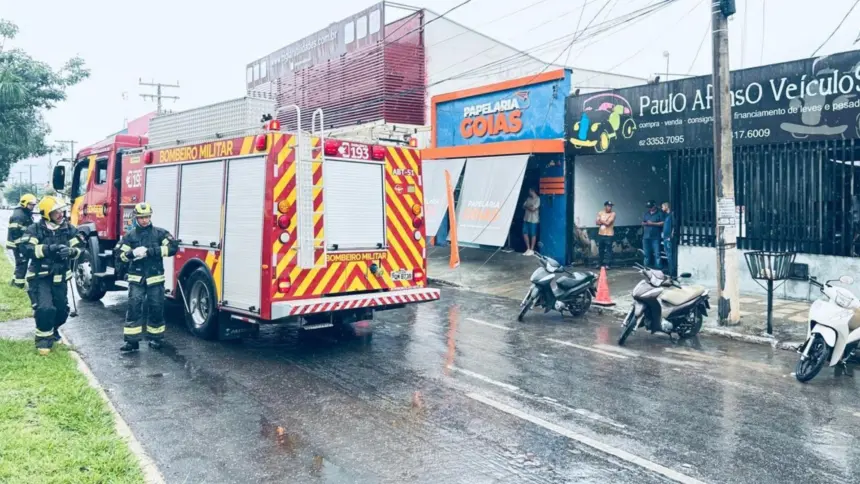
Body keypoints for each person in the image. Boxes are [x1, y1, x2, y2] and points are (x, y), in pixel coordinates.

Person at [19, 196, 83, 355]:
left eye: (61, 211)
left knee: (61, 311)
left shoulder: (68, 228)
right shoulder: (35, 229)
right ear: (47, 214)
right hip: (40, 277)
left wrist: (72, 251)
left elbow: (81, 245)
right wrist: (50, 249)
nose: (60, 214)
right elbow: (26, 248)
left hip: (60, 277)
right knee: (45, 308)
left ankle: (53, 330)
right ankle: (43, 340)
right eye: (56, 212)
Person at [117, 202, 178, 352]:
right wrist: (132, 253)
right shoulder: (130, 236)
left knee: (156, 307)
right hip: (136, 278)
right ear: (136, 218)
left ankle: (156, 339)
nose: (144, 220)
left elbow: (173, 248)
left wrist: (151, 251)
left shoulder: (160, 233)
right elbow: (119, 256)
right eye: (141, 217)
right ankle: (132, 342)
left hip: (155, 278)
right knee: (134, 308)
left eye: (147, 217)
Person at [6, 193, 37, 288]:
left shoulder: (25, 213)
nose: (33, 207)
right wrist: (20, 245)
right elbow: (15, 232)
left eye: (33, 205)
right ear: (25, 203)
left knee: (20, 263)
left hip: (21, 243)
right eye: (31, 205)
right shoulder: (19, 215)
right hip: (18, 244)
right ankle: (18, 285)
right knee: (22, 263)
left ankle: (15, 282)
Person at [641, 200, 664, 269]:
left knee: (657, 253)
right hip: (646, 236)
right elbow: (643, 222)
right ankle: (646, 268)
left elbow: (662, 223)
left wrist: (652, 224)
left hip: (656, 236)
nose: (650, 208)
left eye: (651, 207)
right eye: (648, 207)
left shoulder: (660, 213)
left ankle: (658, 268)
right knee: (646, 253)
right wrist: (644, 223)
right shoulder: (646, 214)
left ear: (654, 206)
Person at [595, 201, 616, 269]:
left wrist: (601, 220)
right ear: (605, 206)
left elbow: (608, 223)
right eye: (608, 206)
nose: (610, 207)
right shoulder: (600, 212)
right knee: (601, 249)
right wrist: (603, 221)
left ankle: (608, 264)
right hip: (601, 234)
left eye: (611, 206)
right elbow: (596, 222)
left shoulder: (613, 213)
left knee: (608, 250)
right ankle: (600, 263)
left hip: (609, 234)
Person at [522, 188, 540, 256]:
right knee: (525, 233)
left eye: (529, 190)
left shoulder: (538, 199)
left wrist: (528, 206)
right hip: (526, 218)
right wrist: (529, 207)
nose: (529, 192)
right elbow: (523, 206)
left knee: (533, 234)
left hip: (534, 219)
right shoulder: (528, 198)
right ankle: (528, 248)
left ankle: (532, 249)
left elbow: (533, 209)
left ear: (533, 191)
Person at [662, 202, 675, 277]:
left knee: (669, 255)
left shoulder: (671, 215)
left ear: (666, 207)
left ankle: (672, 272)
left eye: (663, 207)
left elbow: (674, 226)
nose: (662, 208)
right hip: (666, 237)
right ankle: (670, 270)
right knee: (668, 255)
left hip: (668, 238)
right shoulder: (667, 216)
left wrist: (670, 237)